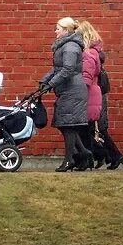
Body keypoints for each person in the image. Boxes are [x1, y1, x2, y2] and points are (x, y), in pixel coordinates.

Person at [39, 17, 94, 172]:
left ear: (65, 30)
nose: (55, 30)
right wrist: (44, 81)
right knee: (64, 125)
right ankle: (84, 153)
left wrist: (51, 83)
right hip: (68, 90)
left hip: (72, 91)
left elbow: (67, 70)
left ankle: (69, 160)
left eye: (58, 28)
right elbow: (58, 69)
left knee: (68, 126)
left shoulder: (70, 47)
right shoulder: (66, 46)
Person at [79, 21, 123, 170]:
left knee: (94, 128)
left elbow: (87, 76)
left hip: (92, 94)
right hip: (98, 93)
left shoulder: (89, 53)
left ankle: (110, 155)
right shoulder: (97, 52)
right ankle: (106, 155)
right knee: (94, 128)